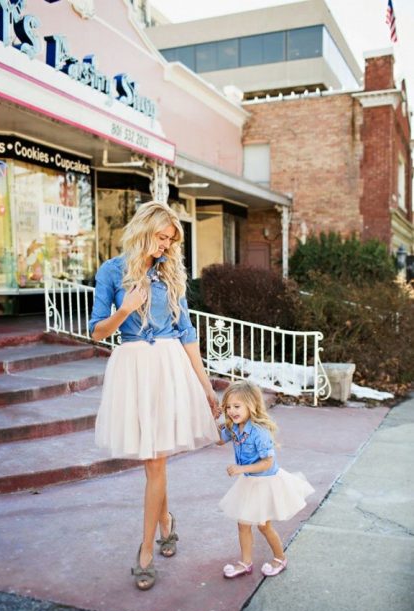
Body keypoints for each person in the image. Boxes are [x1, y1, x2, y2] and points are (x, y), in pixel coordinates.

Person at [89, 201, 220, 591]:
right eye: (161, 237)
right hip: (132, 369)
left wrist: (206, 384)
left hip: (167, 368)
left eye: (170, 240)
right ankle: (165, 522)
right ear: (144, 230)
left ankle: (145, 551)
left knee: (156, 462)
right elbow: (97, 330)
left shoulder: (169, 274)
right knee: (152, 461)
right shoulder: (112, 271)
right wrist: (124, 308)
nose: (165, 245)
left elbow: (187, 333)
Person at [217, 380, 314, 579]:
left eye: (237, 406)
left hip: (266, 483)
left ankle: (280, 558)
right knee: (243, 524)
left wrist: (241, 469)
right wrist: (213, 419)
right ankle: (245, 562)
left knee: (263, 525)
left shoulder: (259, 432)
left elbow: (268, 462)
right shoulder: (234, 426)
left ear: (251, 405)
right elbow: (219, 439)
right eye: (228, 407)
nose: (232, 411)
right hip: (250, 483)